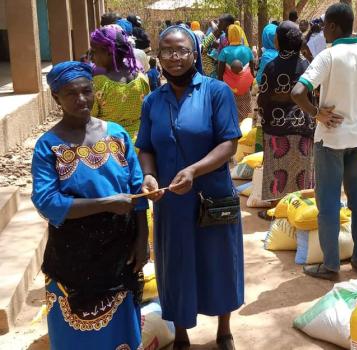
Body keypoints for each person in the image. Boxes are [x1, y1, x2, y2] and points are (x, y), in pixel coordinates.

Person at [136, 25, 244, 350]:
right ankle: (181, 333)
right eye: (167, 51)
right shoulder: (152, 101)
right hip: (170, 201)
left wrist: (195, 170)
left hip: (212, 195)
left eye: (181, 50)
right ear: (159, 56)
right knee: (176, 264)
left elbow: (229, 143)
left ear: (194, 53)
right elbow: (146, 148)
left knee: (219, 261)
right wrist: (149, 176)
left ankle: (224, 330)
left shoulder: (216, 92)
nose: (174, 57)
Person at [31, 61, 149, 350]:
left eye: (87, 91)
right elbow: (47, 201)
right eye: (71, 93)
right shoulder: (48, 146)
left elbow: (136, 191)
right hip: (74, 255)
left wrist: (142, 239)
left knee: (121, 330)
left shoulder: (117, 135)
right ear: (56, 97)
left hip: (122, 251)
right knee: (75, 335)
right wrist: (106, 203)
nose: (81, 99)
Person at [292, 3, 357, 280]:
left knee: (329, 205)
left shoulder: (328, 56)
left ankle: (331, 265)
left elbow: (299, 91)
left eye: (326, 27)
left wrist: (316, 114)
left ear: (332, 26)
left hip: (331, 140)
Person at [258, 21, 315, 206]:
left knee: (277, 174)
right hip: (303, 128)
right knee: (301, 175)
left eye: (276, 37)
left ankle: (278, 215)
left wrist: (265, 121)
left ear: (281, 41)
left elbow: (264, 99)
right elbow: (311, 97)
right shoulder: (307, 65)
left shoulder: (272, 67)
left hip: (277, 130)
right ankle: (299, 216)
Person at [90, 25, 150, 139]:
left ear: (108, 52)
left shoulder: (99, 83)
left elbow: (91, 119)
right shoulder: (141, 79)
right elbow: (146, 111)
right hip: (138, 141)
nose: (92, 57)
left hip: (110, 143)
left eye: (94, 52)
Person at [218, 24, 255, 122]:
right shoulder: (247, 50)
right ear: (240, 34)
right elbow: (252, 68)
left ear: (229, 36)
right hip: (245, 86)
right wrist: (250, 84)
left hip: (229, 88)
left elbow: (220, 73)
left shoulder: (224, 52)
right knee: (246, 110)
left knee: (231, 110)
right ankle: (245, 130)